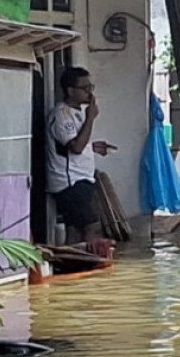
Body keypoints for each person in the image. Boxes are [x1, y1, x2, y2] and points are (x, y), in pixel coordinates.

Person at [47, 67, 116, 258]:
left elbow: (78, 145)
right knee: (92, 227)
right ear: (70, 91)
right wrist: (91, 118)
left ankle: (69, 266)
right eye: (84, 88)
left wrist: (92, 148)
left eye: (90, 87)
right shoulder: (62, 115)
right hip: (70, 183)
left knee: (74, 230)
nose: (90, 92)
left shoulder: (76, 114)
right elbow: (75, 146)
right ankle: (90, 264)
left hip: (81, 180)